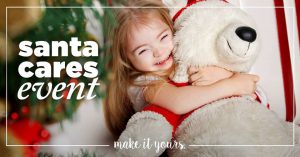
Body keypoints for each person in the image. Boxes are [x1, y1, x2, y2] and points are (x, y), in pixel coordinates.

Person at [104, 0, 259, 139]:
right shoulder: (142, 83)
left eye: (164, 37)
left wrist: (224, 74)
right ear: (124, 58)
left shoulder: (183, 55)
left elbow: (248, 86)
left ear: (171, 27)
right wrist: (231, 85)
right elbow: (178, 102)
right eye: (143, 50)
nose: (159, 52)